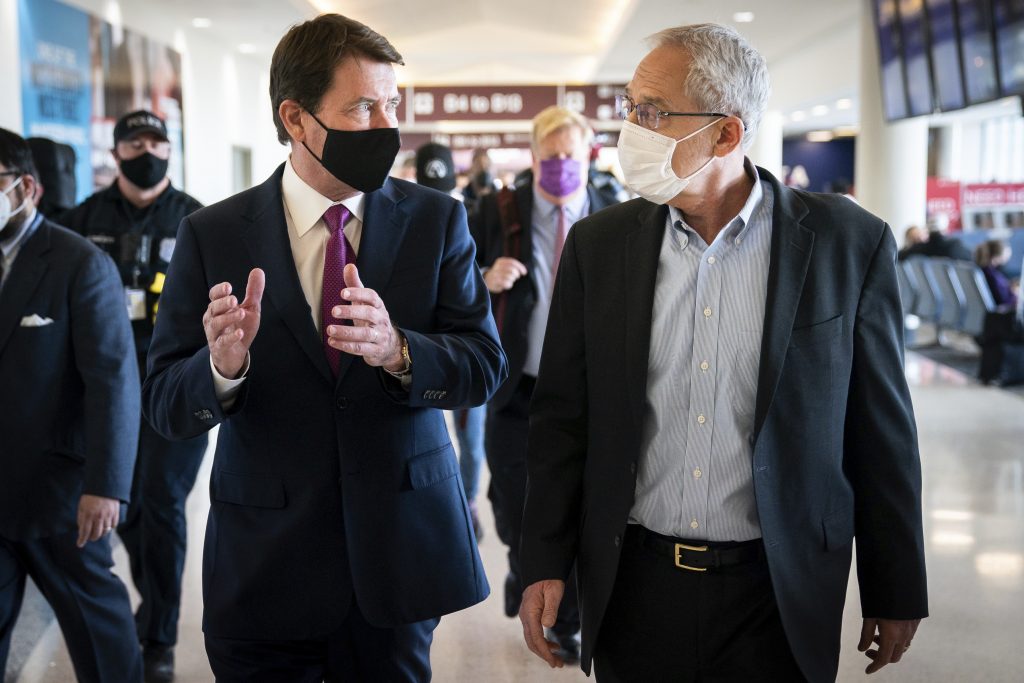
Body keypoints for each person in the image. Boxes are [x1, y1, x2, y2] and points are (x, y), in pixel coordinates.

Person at [518, 24, 927, 683]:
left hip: (779, 587)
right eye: (629, 108)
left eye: (651, 112)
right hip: (634, 582)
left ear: (726, 134)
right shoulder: (600, 247)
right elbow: (563, 418)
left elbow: (881, 432)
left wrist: (896, 584)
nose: (631, 128)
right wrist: (541, 559)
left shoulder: (848, 244)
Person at [142, 14, 506, 681]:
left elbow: (484, 366)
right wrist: (221, 368)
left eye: (392, 103)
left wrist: (399, 349)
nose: (386, 124)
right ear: (298, 118)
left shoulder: (437, 220)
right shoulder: (213, 234)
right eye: (364, 106)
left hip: (398, 558)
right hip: (264, 568)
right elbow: (166, 405)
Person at [59, 110, 205, 683]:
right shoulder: (81, 221)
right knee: (128, 507)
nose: (148, 150)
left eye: (158, 141)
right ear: (116, 152)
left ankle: (159, 637)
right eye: (136, 141)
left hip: (175, 386)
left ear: (171, 150)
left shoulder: (198, 220)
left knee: (163, 502)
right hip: (104, 393)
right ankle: (147, 607)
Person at [470, 105, 617, 663]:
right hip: (516, 387)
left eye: (569, 157)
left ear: (588, 157)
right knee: (514, 502)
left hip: (587, 390)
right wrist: (485, 279)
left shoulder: (616, 212)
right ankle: (523, 563)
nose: (560, 167)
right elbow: (453, 282)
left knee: (578, 505)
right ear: (534, 157)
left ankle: (568, 619)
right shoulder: (495, 210)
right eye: (549, 157)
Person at [0, 128, 142, 682]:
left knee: (95, 626)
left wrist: (106, 485)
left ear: (26, 187)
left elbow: (112, 380)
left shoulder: (78, 263)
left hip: (59, 494)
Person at [415, 141, 486, 538]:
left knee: (471, 436)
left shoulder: (469, 214)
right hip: (414, 347)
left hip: (458, 346)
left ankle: (469, 500)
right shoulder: (404, 218)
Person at [901, 214, 972, 261]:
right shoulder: (954, 246)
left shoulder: (919, 250)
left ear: (927, 232)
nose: (919, 240)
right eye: (915, 239)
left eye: (920, 236)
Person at [974, 239, 1018, 309]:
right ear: (999, 254)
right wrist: (1014, 294)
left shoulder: (982, 270)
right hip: (1001, 314)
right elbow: (1003, 301)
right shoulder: (991, 276)